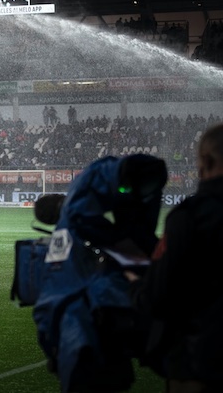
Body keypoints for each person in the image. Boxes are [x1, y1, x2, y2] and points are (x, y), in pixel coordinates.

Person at [126, 123, 223, 392]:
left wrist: (134, 283)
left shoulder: (192, 217)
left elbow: (158, 298)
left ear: (205, 162)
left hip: (203, 364)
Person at [32, 153, 168, 393]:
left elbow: (48, 307)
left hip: (85, 350)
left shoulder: (75, 241)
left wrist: (51, 350)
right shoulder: (84, 230)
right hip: (90, 349)